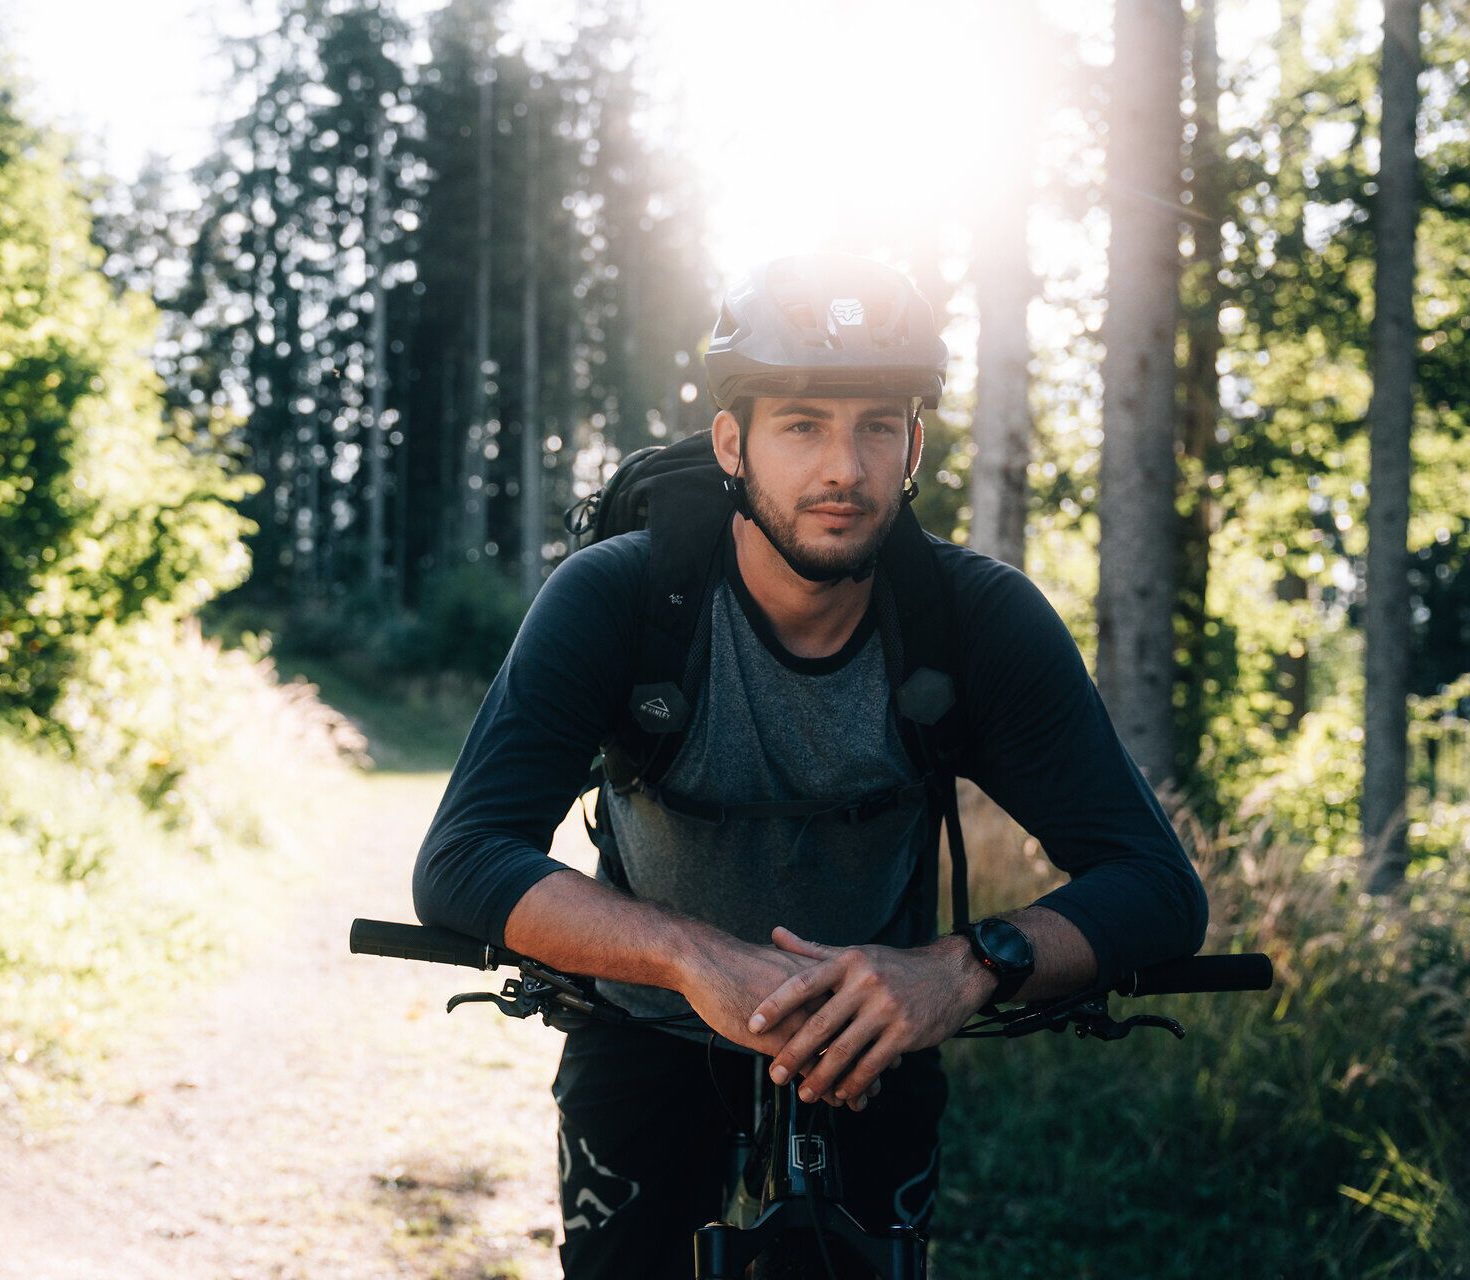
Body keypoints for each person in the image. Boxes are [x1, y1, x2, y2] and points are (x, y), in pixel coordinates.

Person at [412, 252, 1208, 1276]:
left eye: (879, 424)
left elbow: (1156, 883)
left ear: (914, 444)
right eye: (803, 424)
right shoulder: (617, 600)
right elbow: (464, 857)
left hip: (880, 1034)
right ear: (732, 444)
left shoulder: (977, 620)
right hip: (649, 1022)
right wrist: (690, 956)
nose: (846, 467)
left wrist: (962, 967)